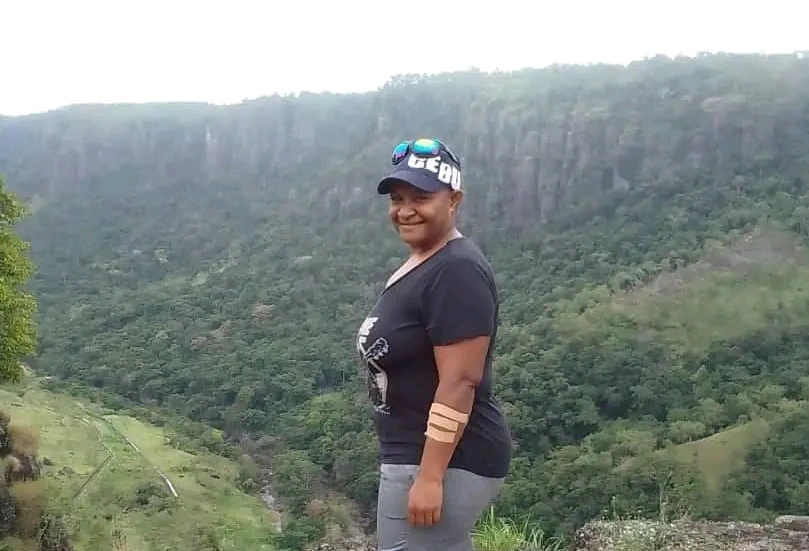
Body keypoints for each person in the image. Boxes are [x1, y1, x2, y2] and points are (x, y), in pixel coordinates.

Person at [355, 138, 512, 551]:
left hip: (445, 460)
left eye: (421, 197)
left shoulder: (457, 270)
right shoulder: (424, 259)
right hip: (418, 456)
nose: (405, 210)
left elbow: (460, 381)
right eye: (397, 199)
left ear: (454, 200)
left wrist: (429, 477)